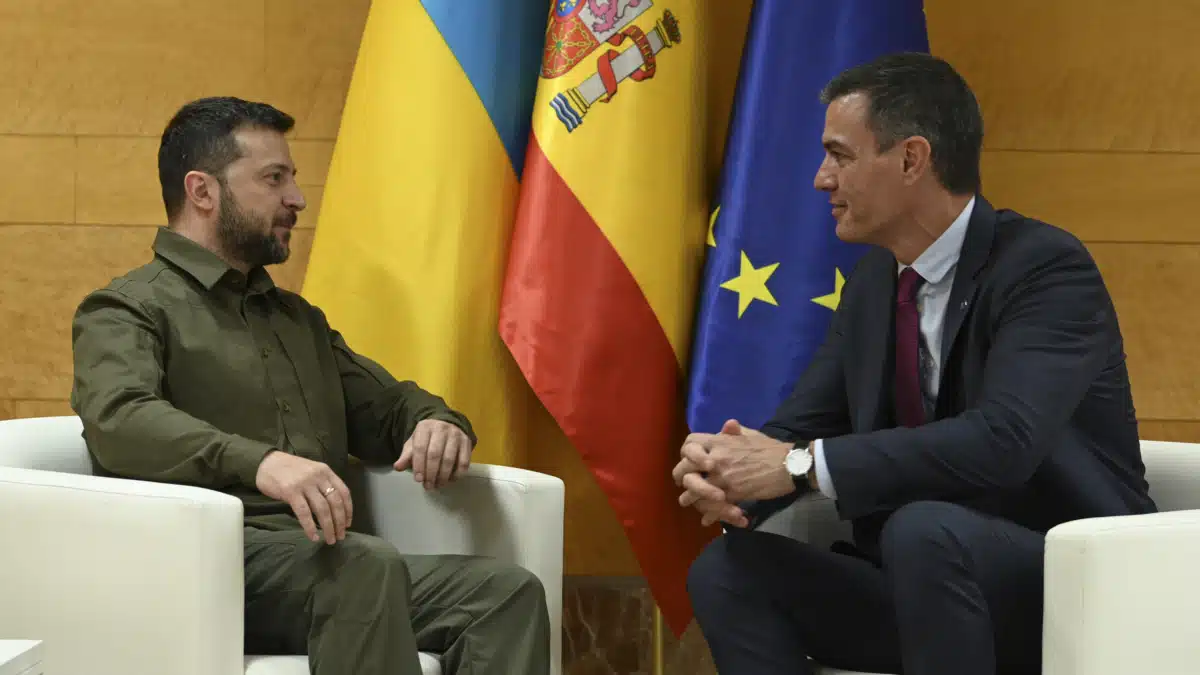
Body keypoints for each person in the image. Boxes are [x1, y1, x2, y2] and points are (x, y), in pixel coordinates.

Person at [675, 53, 1156, 675]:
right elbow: (800, 430)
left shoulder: (1045, 269)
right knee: (729, 570)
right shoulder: (875, 283)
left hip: (1066, 587)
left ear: (910, 159)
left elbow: (1004, 441)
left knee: (923, 531)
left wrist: (797, 464)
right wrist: (730, 476)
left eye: (840, 155)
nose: (822, 179)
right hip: (920, 582)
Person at [69, 96, 550, 675]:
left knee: (505, 594)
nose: (297, 198)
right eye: (274, 179)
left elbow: (385, 407)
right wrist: (260, 463)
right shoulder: (125, 308)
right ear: (202, 191)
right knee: (361, 565)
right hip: (202, 563)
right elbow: (119, 420)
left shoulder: (297, 320)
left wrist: (435, 422)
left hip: (329, 560)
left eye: (292, 178)